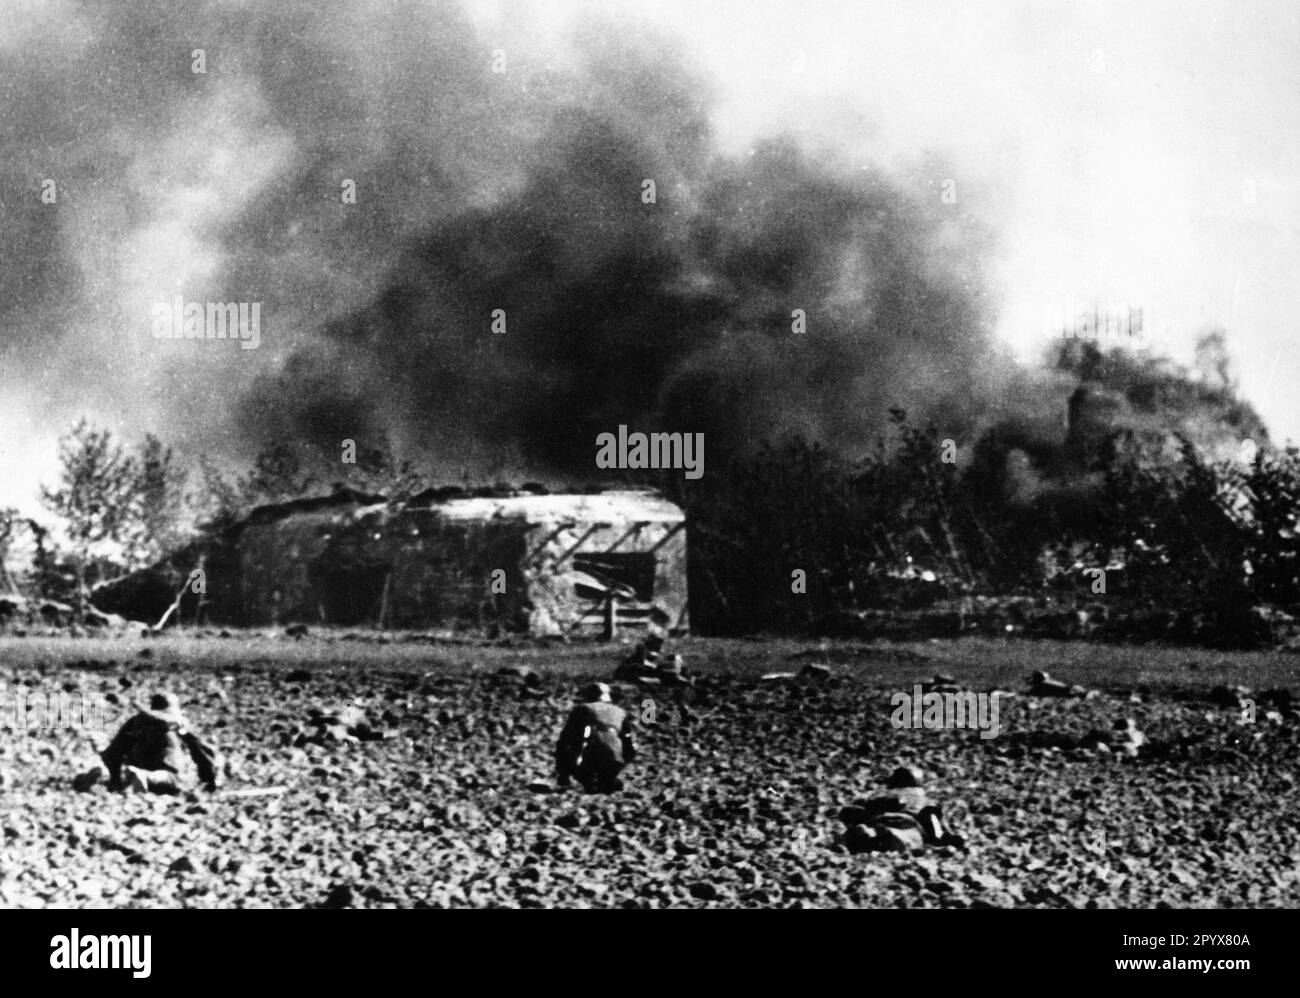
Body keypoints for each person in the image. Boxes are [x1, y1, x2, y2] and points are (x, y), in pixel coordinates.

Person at [100, 692, 221, 794]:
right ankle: (145, 778)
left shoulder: (136, 722)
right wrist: (210, 779)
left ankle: (135, 777)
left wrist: (115, 778)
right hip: (166, 773)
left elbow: (111, 753)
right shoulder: (175, 724)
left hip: (137, 766)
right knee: (177, 781)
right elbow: (200, 749)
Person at [841, 766, 964, 852]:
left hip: (880, 820)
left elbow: (868, 808)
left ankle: (867, 834)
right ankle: (938, 839)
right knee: (930, 812)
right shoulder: (920, 795)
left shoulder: (883, 793)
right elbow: (930, 813)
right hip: (907, 822)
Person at [555, 682, 636, 793]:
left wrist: (564, 771)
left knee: (568, 744)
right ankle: (607, 780)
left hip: (594, 756)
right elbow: (628, 743)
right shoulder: (621, 712)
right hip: (616, 760)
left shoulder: (583, 709)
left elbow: (567, 739)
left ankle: (585, 779)